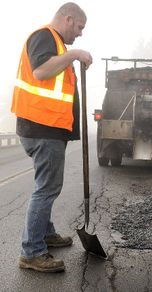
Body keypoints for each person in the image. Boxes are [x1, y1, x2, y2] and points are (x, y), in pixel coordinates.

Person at [11, 2, 93, 272]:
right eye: (79, 27)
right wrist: (75, 55)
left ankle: (45, 235)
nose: (80, 33)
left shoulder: (57, 45)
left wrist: (71, 57)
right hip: (41, 127)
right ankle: (32, 252)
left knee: (45, 186)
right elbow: (41, 71)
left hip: (47, 128)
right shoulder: (44, 36)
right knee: (46, 189)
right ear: (68, 19)